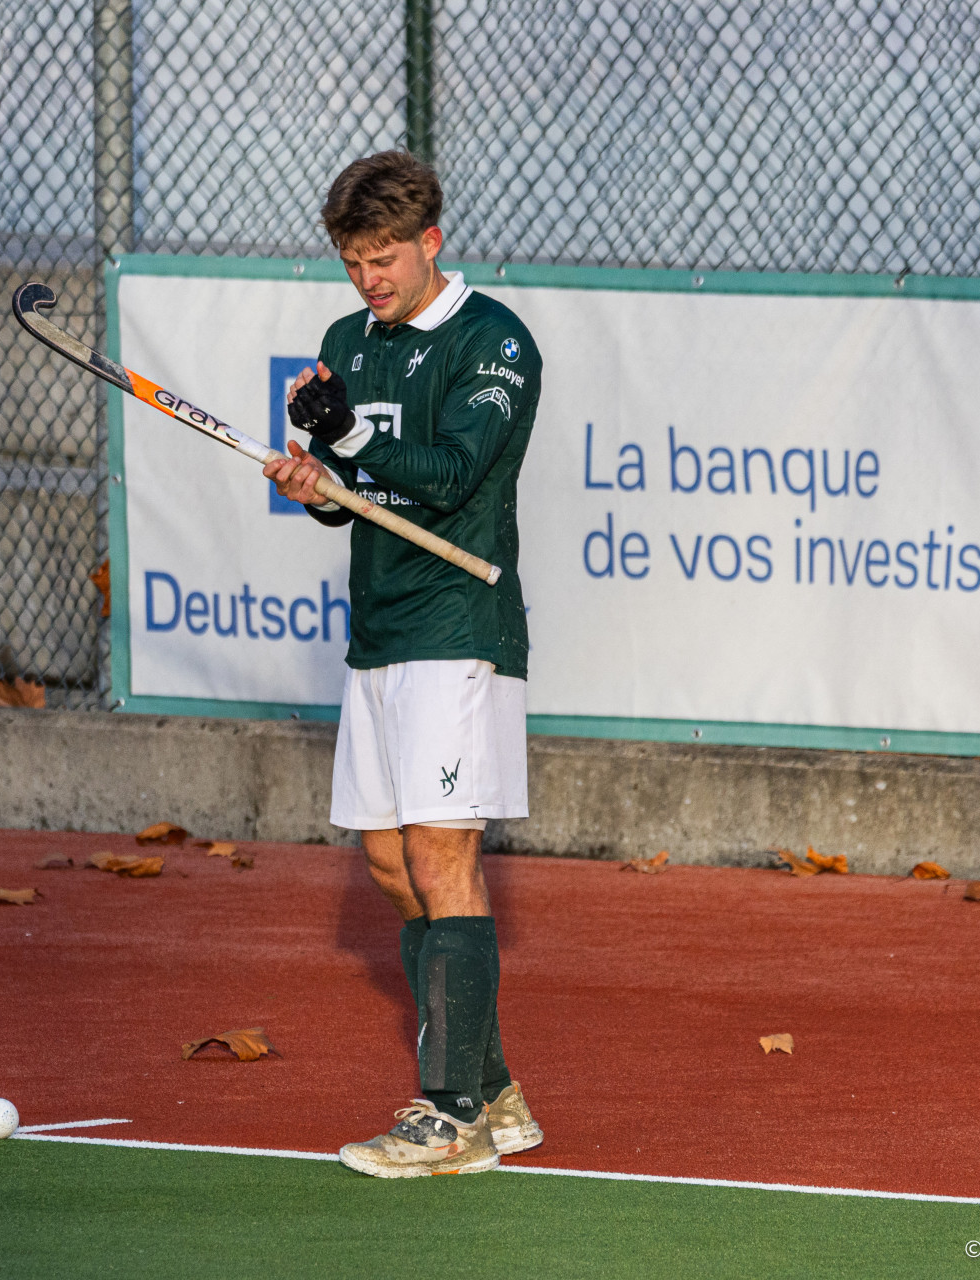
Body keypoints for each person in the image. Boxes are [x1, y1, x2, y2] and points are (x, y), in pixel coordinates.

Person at [264, 151, 543, 1177]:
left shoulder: (493, 340)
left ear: (431, 240)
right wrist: (317, 482)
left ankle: (451, 1113)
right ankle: (495, 1089)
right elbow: (356, 496)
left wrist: (350, 439)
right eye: (352, 261)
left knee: (442, 857)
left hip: (459, 627)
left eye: (384, 257)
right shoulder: (347, 343)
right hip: (376, 631)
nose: (368, 279)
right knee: (390, 865)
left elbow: (454, 472)